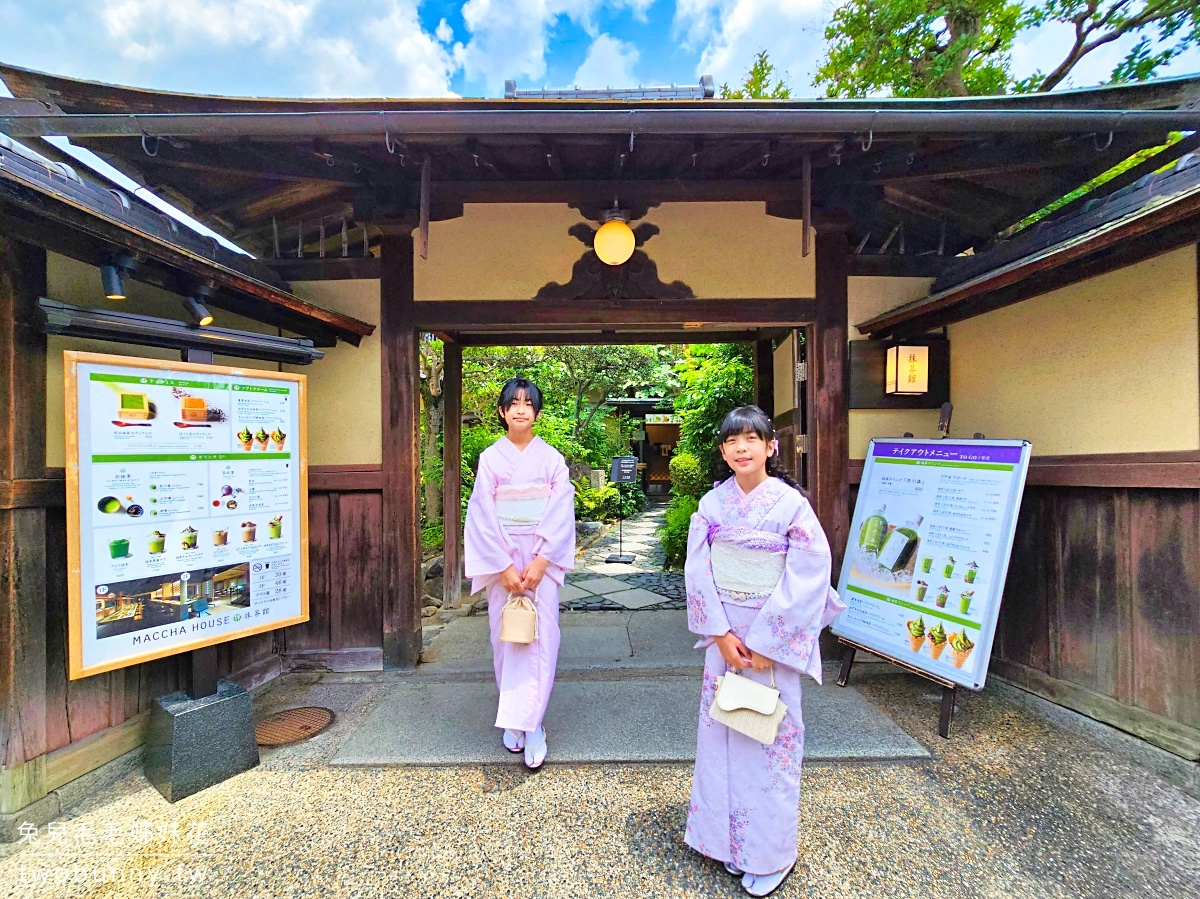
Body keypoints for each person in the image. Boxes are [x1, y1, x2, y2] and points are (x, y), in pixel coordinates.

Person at [683, 405, 845, 897]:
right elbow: (697, 569)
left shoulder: (791, 505)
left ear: (771, 447)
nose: (742, 448)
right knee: (723, 735)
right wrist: (718, 634)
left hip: (769, 640)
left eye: (752, 439)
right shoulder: (712, 506)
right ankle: (730, 843)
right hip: (726, 636)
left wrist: (771, 641)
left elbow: (812, 567)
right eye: (733, 441)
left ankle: (770, 852)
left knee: (770, 739)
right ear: (723, 450)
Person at [464, 377, 575, 769]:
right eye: (514, 403)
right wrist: (504, 566)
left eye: (529, 403)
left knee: (543, 638)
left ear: (538, 413)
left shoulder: (551, 459)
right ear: (502, 411)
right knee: (506, 635)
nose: (521, 409)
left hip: (541, 558)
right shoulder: (491, 458)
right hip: (505, 558)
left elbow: (562, 508)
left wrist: (543, 560)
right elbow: (480, 513)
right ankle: (513, 719)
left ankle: (535, 725)